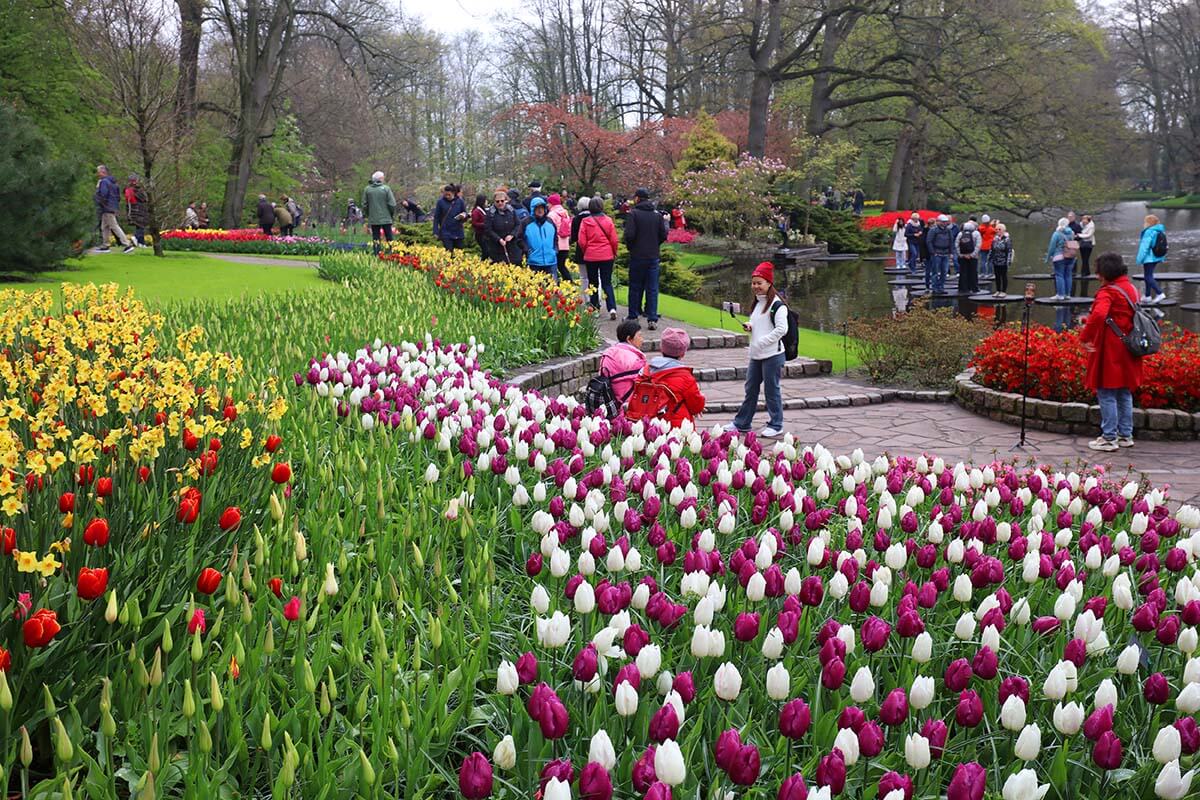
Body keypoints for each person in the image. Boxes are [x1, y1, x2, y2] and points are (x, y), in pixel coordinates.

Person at [1080, 252, 1143, 451]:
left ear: (1105, 272)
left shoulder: (1108, 291)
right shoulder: (1131, 288)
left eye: (1098, 271)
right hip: (1129, 346)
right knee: (1124, 392)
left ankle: (1109, 437)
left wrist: (1085, 337)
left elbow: (1099, 314)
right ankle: (1125, 435)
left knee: (1106, 391)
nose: (1097, 275)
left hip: (1110, 348)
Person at [725, 261, 789, 438]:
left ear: (769, 283)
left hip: (772, 354)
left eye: (759, 283)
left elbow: (782, 329)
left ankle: (776, 424)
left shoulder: (777, 305)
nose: (755, 286)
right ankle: (742, 423)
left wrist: (762, 341)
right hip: (757, 354)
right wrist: (750, 325)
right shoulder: (758, 303)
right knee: (751, 389)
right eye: (753, 283)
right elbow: (760, 323)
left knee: (771, 390)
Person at [637, 328, 705, 427]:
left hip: (645, 424)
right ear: (683, 353)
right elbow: (696, 406)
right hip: (675, 427)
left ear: (661, 348)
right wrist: (702, 397)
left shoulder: (645, 371)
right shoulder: (685, 377)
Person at [624, 187, 668, 330]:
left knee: (635, 286)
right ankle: (652, 317)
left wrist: (631, 247)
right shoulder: (657, 215)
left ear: (637, 198)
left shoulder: (633, 214)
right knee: (652, 288)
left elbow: (629, 235)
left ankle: (633, 315)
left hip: (638, 255)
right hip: (653, 255)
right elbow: (663, 235)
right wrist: (655, 244)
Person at [578, 197, 619, 319]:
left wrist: (587, 250)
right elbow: (614, 239)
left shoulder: (585, 221)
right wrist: (614, 252)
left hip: (591, 256)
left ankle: (595, 308)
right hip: (607, 255)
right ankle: (612, 308)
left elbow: (581, 241)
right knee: (607, 282)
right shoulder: (608, 220)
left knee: (593, 283)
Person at [598, 320, 648, 409]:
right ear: (629, 339)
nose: (642, 339)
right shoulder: (635, 360)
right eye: (639, 336)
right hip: (628, 405)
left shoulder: (608, 353)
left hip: (608, 402)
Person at [94, 165, 135, 253]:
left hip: (106, 207)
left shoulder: (103, 182)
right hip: (113, 206)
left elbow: (103, 195)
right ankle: (105, 245)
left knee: (114, 226)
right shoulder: (114, 183)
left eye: (98, 172)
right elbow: (118, 196)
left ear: (103, 172)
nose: (97, 174)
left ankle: (127, 244)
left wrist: (97, 190)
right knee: (104, 226)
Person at [523, 197, 559, 280]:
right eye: (537, 208)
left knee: (552, 286)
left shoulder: (550, 222)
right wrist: (527, 250)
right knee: (535, 286)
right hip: (534, 262)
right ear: (533, 209)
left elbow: (555, 238)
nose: (540, 210)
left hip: (551, 261)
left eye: (542, 208)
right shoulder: (526, 223)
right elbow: (519, 239)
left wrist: (555, 250)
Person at [485, 189, 525, 264]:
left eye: (502, 201)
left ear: (506, 201)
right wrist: (499, 239)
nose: (500, 203)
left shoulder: (511, 210)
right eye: (497, 201)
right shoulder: (490, 213)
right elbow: (488, 230)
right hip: (497, 247)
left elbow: (518, 224)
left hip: (512, 245)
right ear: (494, 202)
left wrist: (512, 235)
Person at [362, 171, 397, 254]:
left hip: (373, 218)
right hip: (386, 218)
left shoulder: (367, 189)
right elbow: (392, 204)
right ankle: (391, 253)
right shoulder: (386, 189)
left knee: (376, 238)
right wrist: (391, 214)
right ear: (380, 179)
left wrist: (369, 214)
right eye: (383, 177)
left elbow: (364, 205)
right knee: (389, 237)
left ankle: (377, 254)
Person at [1135, 214, 1167, 303]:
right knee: (1148, 275)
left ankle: (1160, 293)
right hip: (1156, 257)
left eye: (1145, 222)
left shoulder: (1149, 231)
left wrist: (1139, 259)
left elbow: (1144, 247)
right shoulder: (1159, 231)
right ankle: (1147, 296)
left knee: (1148, 276)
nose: (1144, 223)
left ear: (1148, 223)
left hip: (1149, 257)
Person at [1045, 217, 1076, 300]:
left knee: (1059, 275)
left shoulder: (1057, 234)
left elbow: (1052, 247)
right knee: (1068, 275)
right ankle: (1067, 294)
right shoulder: (1072, 233)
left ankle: (1060, 294)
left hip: (1059, 257)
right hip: (1070, 256)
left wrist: (1048, 257)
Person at [546, 193, 573, 281]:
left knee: (554, 266)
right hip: (565, 244)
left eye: (548, 203)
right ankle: (568, 282)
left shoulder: (551, 215)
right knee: (561, 265)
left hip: (556, 245)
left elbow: (549, 230)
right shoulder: (565, 213)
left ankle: (557, 283)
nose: (547, 205)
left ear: (552, 203)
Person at [925, 214, 955, 294]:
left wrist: (951, 252)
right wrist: (933, 252)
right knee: (935, 272)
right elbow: (929, 241)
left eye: (945, 222)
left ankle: (941, 287)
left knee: (944, 272)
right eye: (943, 222)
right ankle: (934, 288)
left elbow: (951, 241)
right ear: (938, 222)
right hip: (936, 253)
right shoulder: (933, 230)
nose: (944, 223)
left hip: (945, 253)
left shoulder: (948, 231)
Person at [433, 184, 467, 252]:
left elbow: (465, 212)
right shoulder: (440, 202)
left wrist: (463, 215)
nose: (447, 196)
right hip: (446, 232)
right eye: (445, 195)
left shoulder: (460, 201)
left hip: (458, 231)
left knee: (459, 252)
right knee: (449, 252)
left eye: (449, 195)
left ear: (453, 193)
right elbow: (436, 217)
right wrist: (435, 231)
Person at [956, 221, 982, 294]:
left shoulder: (960, 234)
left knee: (963, 272)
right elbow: (978, 245)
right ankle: (974, 288)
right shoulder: (977, 233)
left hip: (962, 256)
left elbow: (956, 245)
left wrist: (961, 255)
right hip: (973, 257)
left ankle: (963, 288)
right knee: (973, 272)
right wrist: (972, 255)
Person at [989, 223, 1014, 297]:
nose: (998, 231)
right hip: (996, 260)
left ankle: (1003, 291)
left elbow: (1009, 251)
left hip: (1003, 261)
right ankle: (998, 290)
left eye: (999, 229)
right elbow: (992, 249)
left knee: (1003, 276)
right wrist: (989, 258)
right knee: (997, 276)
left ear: (1003, 230)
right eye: (996, 229)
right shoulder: (995, 239)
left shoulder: (1007, 240)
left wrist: (1008, 261)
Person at [125, 175, 149, 245]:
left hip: (132, 210)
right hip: (139, 209)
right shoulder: (137, 190)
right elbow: (144, 199)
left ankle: (141, 243)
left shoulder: (127, 189)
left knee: (139, 226)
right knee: (141, 226)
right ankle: (136, 237)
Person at [570, 195, 592, 263]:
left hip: (580, 250)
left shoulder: (576, 219)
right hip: (594, 249)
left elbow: (574, 237)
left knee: (582, 269)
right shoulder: (594, 218)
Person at [470, 194, 490, 258]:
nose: (487, 202)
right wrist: (484, 224)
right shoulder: (476, 211)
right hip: (480, 234)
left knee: (487, 251)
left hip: (485, 234)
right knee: (486, 251)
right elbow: (474, 223)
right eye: (486, 200)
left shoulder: (483, 210)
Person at [978, 214, 996, 278]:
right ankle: (990, 273)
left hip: (982, 246)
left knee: (983, 260)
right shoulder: (991, 229)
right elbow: (995, 230)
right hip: (990, 246)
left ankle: (982, 273)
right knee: (990, 260)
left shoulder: (980, 228)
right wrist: (994, 224)